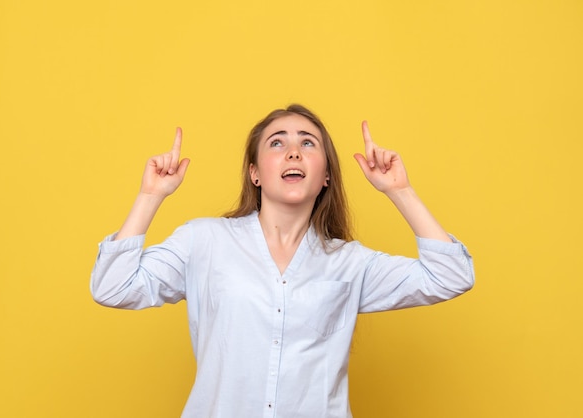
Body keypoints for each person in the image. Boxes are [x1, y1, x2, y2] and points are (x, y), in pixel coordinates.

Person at [90, 104, 474, 418]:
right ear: (255, 173)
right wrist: (150, 195)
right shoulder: (204, 241)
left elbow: (451, 275)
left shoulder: (350, 264)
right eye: (277, 143)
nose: (293, 151)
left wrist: (400, 191)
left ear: (325, 175)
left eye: (308, 143)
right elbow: (113, 287)